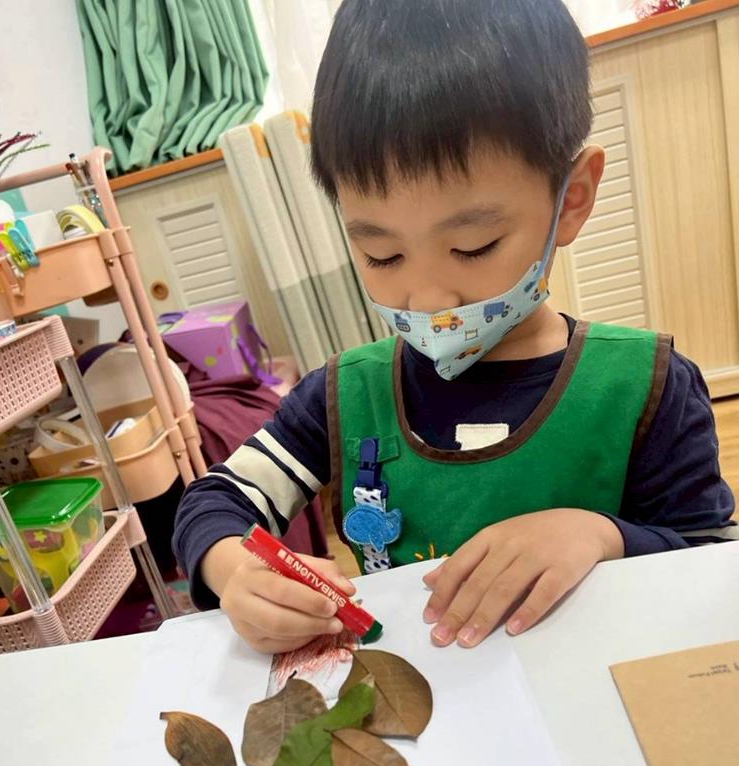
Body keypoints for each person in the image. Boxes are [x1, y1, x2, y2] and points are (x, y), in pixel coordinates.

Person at [174, 0, 734, 654]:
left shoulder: (646, 387)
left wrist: (601, 535)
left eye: (473, 246)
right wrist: (235, 570)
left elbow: (710, 555)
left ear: (571, 200)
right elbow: (215, 500)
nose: (427, 297)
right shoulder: (344, 395)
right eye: (382, 254)